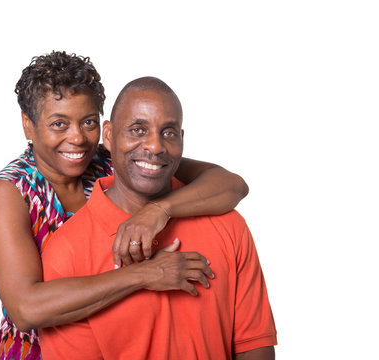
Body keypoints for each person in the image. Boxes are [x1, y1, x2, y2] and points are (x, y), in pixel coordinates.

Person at [0, 51, 249, 360]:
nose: (78, 138)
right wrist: (145, 275)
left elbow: (231, 184)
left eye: (87, 122)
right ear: (28, 125)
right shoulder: (10, 191)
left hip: (112, 340)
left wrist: (158, 210)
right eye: (59, 124)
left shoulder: (114, 160)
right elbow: (26, 309)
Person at [40, 77, 277, 359]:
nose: (155, 146)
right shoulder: (66, 253)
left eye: (168, 133)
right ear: (109, 134)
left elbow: (255, 347)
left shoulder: (228, 225)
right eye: (138, 129)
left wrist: (159, 210)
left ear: (182, 139)